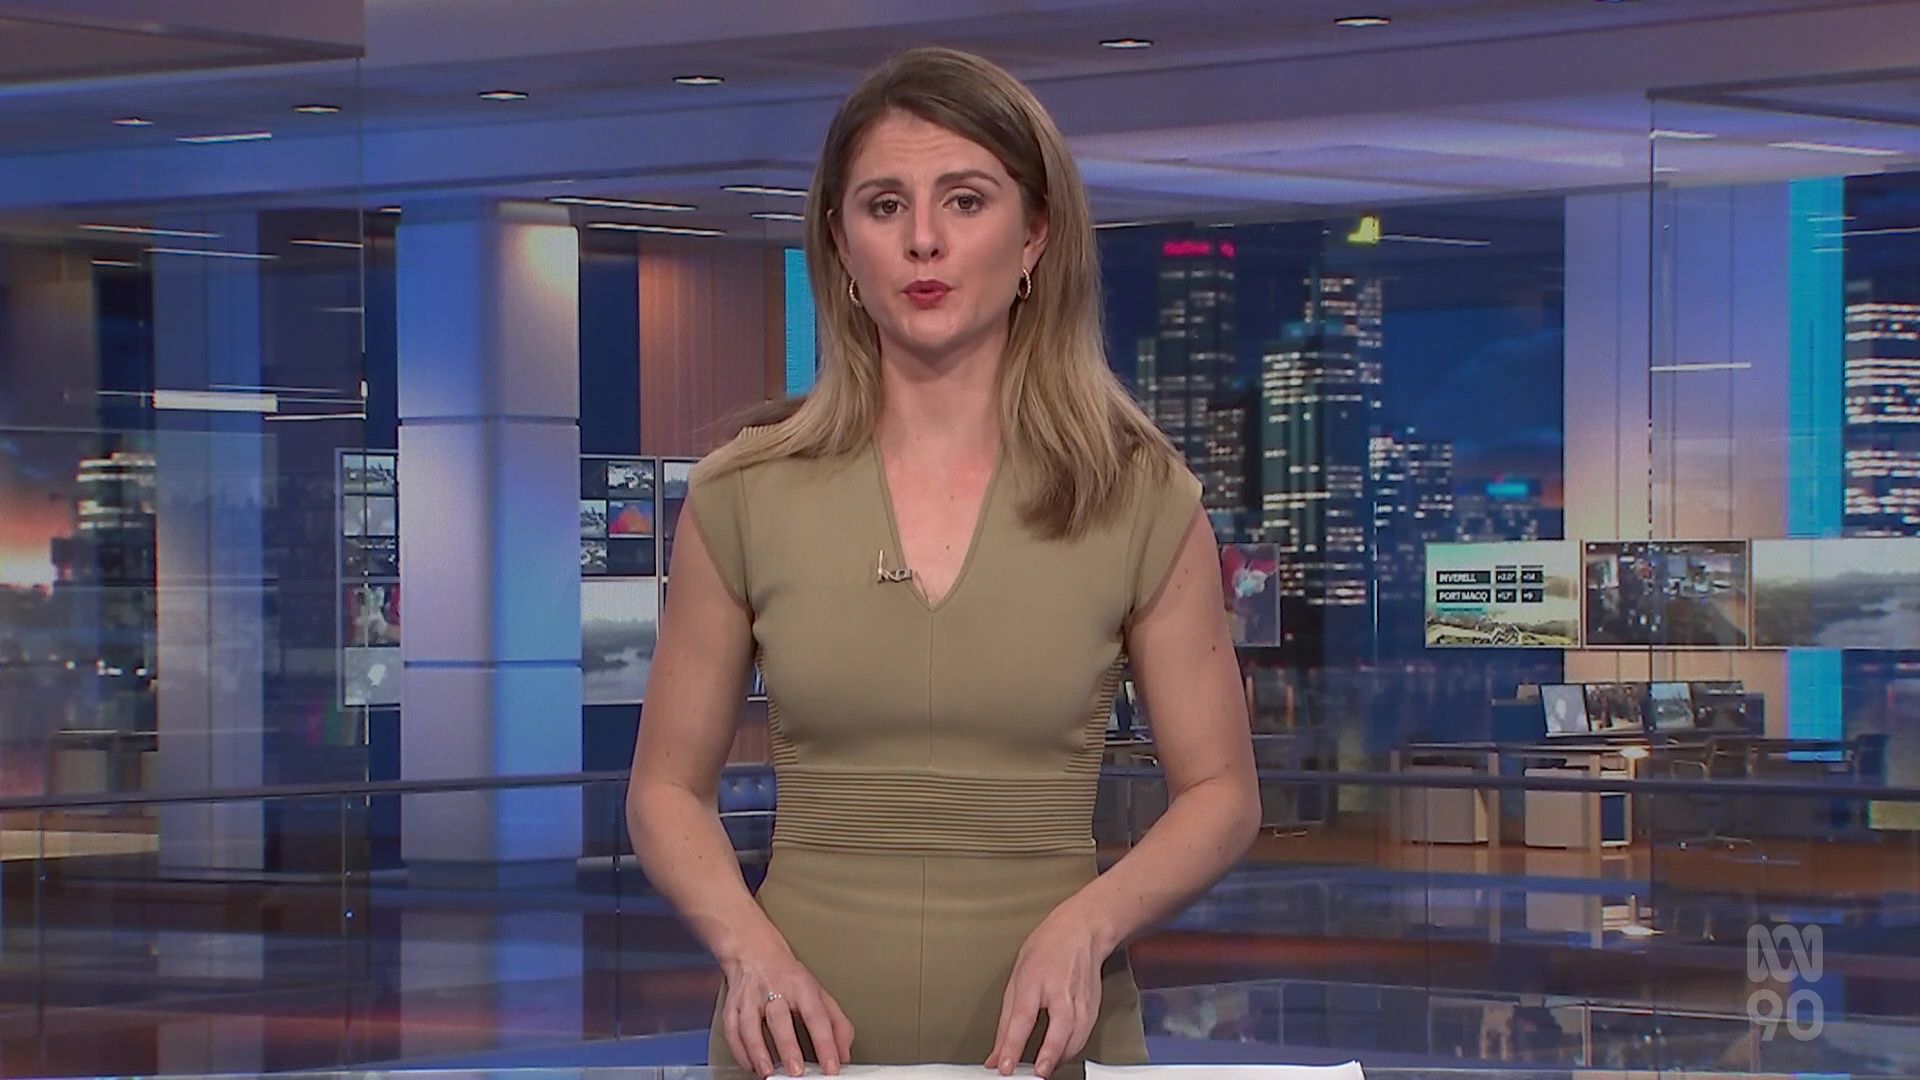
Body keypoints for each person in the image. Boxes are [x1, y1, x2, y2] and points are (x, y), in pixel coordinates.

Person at [625, 46, 1260, 1080]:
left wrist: (1090, 924)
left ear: (1035, 235)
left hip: (1051, 1046)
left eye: (965, 200)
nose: (924, 239)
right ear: (841, 243)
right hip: (795, 1049)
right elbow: (664, 789)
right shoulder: (743, 492)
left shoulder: (1138, 494)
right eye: (885, 206)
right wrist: (748, 954)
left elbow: (1223, 792)